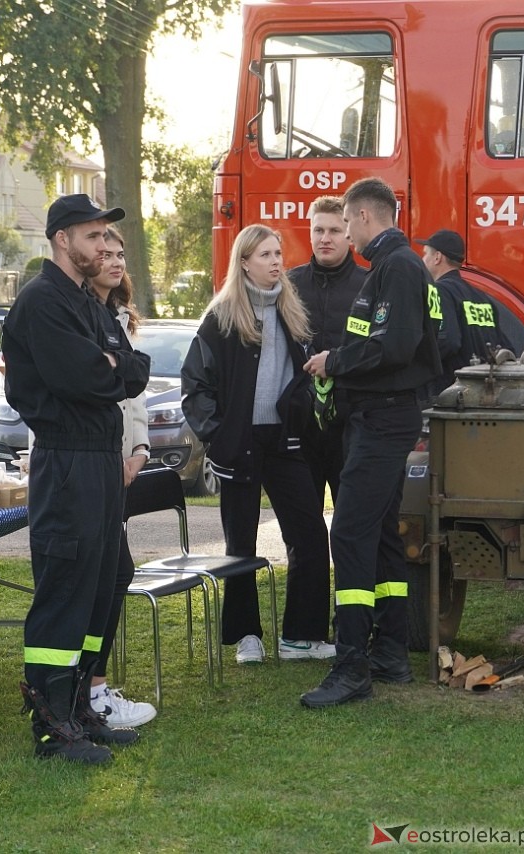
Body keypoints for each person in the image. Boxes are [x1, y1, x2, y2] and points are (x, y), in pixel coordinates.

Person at [1, 193, 150, 764]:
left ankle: (80, 705)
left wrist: (113, 367)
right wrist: (110, 368)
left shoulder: (86, 301)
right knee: (66, 586)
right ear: (63, 239)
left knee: (108, 576)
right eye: (94, 237)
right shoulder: (43, 302)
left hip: (100, 454)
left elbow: (130, 369)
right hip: (66, 459)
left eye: (107, 238)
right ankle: (50, 723)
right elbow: (86, 377)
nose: (105, 246)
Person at [301, 177, 442, 708]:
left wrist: (333, 361)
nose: (346, 238)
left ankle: (351, 665)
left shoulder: (397, 268)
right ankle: (390, 653)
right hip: (377, 417)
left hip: (384, 418)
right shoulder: (393, 268)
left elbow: (396, 345)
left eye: (347, 225)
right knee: (381, 534)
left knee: (352, 533)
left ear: (363, 217)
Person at [181, 224, 334, 665]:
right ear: (243, 261)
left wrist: (302, 410)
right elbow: (195, 385)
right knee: (240, 543)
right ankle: (247, 635)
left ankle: (301, 636)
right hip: (239, 444)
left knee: (308, 533)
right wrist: (219, 435)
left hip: (285, 441)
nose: (275, 261)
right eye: (265, 254)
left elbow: (304, 376)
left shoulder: (292, 311)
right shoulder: (222, 317)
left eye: (278, 253)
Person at [84, 224, 157, 728]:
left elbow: (135, 395)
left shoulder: (121, 319)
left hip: (119, 461)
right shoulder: (75, 314)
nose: (112, 261)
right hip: (84, 461)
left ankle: (92, 686)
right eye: (103, 252)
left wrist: (139, 447)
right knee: (99, 576)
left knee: (116, 573)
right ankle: (88, 689)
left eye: (119, 254)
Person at [288, 195, 366, 508]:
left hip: (352, 423)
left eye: (334, 230)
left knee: (350, 519)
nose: (325, 238)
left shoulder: (369, 285)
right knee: (302, 525)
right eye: (318, 230)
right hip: (301, 424)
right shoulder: (289, 286)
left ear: (348, 233)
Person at [418, 228, 524, 392]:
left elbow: (447, 342)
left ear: (437, 257)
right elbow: (506, 349)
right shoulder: (482, 298)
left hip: (451, 393)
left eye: (425, 254)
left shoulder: (438, 292)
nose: (423, 260)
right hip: (483, 392)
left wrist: (417, 365)